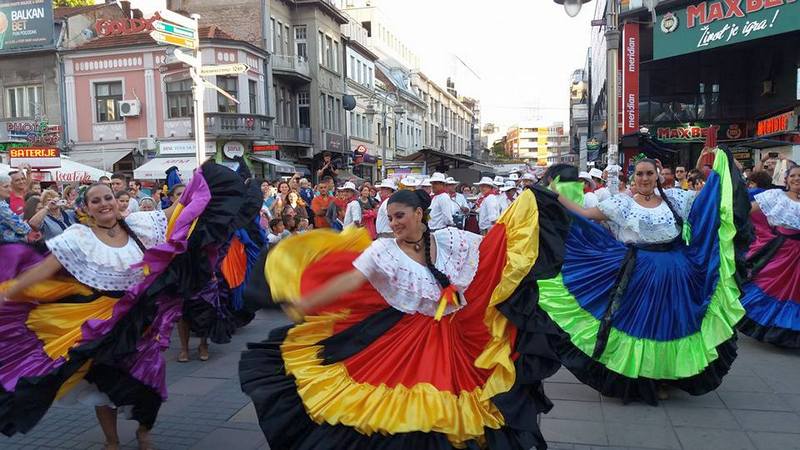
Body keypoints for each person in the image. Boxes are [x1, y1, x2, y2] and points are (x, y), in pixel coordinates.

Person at [240, 187, 563, 450]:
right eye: (390, 217)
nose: (394, 223)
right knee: (402, 413)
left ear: (419, 214)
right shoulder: (383, 251)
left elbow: (496, 251)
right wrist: (308, 300)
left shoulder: (453, 239)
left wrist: (534, 204)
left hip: (456, 339)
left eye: (400, 216)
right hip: (406, 338)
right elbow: (349, 280)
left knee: (458, 412)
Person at [0, 163, 253, 449]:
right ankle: (112, 441)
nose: (104, 204)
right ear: (87, 208)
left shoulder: (139, 224)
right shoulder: (77, 237)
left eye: (107, 198)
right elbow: (45, 268)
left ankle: (144, 431)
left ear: (116, 201)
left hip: (141, 318)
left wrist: (200, 182)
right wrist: (9, 294)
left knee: (150, 380)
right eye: (95, 201)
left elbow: (179, 212)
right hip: (100, 322)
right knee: (102, 385)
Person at [540, 150, 750, 404]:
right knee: (640, 325)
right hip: (638, 274)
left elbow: (710, 199)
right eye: (640, 173)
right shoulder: (622, 203)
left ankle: (665, 377)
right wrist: (552, 195)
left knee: (670, 325)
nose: (645, 178)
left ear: (658, 175)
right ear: (633, 177)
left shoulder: (675, 198)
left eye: (650, 173)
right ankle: (641, 378)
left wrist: (718, 167)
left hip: (677, 274)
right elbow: (584, 215)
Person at [737, 165, 800, 347]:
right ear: (786, 180)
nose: (797, 179)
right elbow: (746, 211)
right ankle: (774, 330)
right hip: (783, 252)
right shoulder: (776, 197)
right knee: (773, 286)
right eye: (793, 175)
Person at [0, 174, 32, 243]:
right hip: (7, 247)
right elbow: (23, 229)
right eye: (6, 187)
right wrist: (25, 224)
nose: (10, 190)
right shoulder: (1, 207)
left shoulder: (3, 201)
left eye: (10, 186)